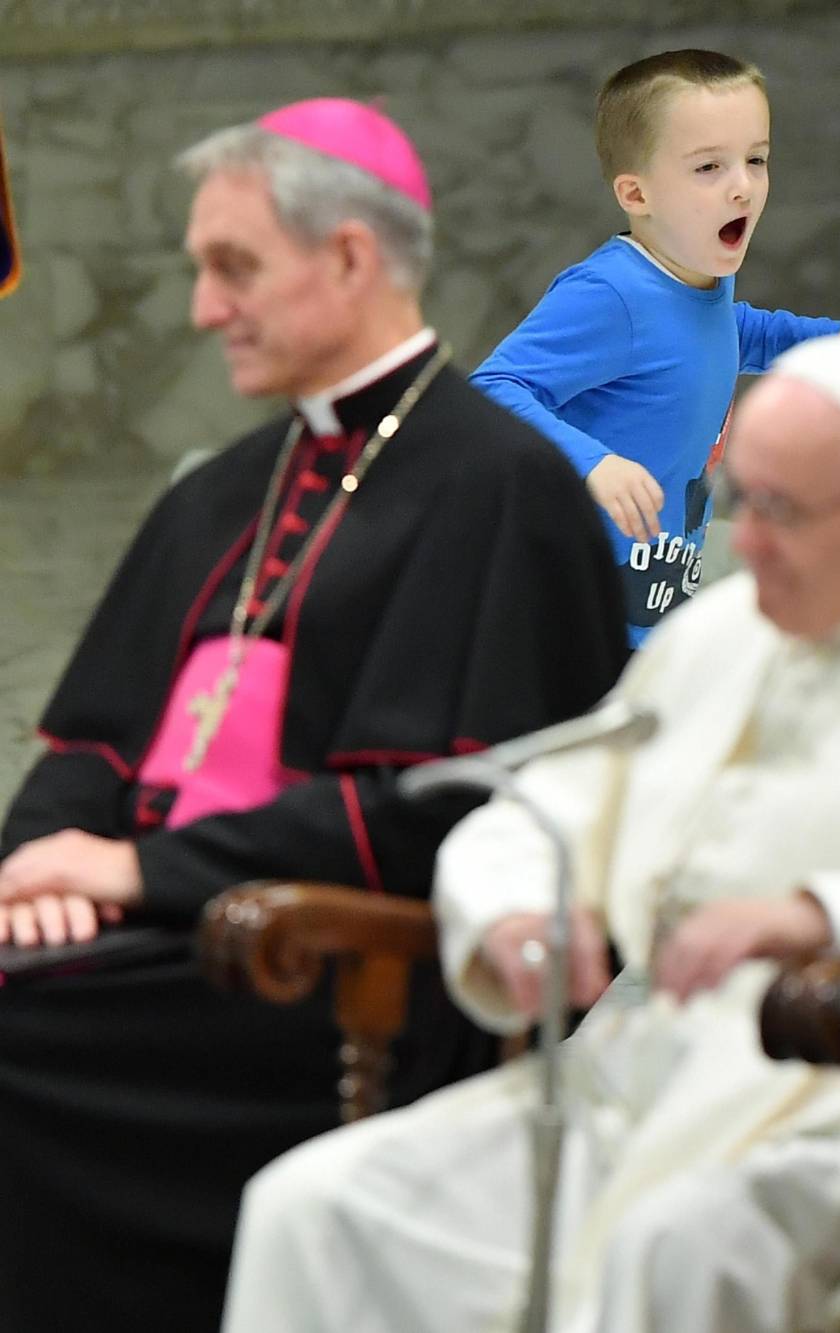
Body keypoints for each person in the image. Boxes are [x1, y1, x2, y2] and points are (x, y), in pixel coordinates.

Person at [221, 335, 840, 1333]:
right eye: (738, 500)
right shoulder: (726, 635)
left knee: (672, 1246)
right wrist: (514, 908)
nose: (746, 542)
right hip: (651, 1083)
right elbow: (552, 802)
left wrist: (825, 916)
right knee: (316, 1208)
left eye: (784, 511)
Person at [0, 97, 628, 1333]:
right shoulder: (220, 494)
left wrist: (134, 872)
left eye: (233, 268)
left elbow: (443, 816)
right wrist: (35, 870)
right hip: (160, 947)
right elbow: (87, 747)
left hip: (340, 974)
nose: (201, 309)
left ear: (348, 257)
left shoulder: (500, 486)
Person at [471, 48, 840, 645]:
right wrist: (594, 463)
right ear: (637, 195)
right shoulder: (612, 295)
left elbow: (727, 331)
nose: (743, 188)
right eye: (709, 167)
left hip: (654, 588)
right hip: (564, 611)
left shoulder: (697, 276)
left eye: (756, 160)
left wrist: (837, 336)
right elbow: (491, 389)